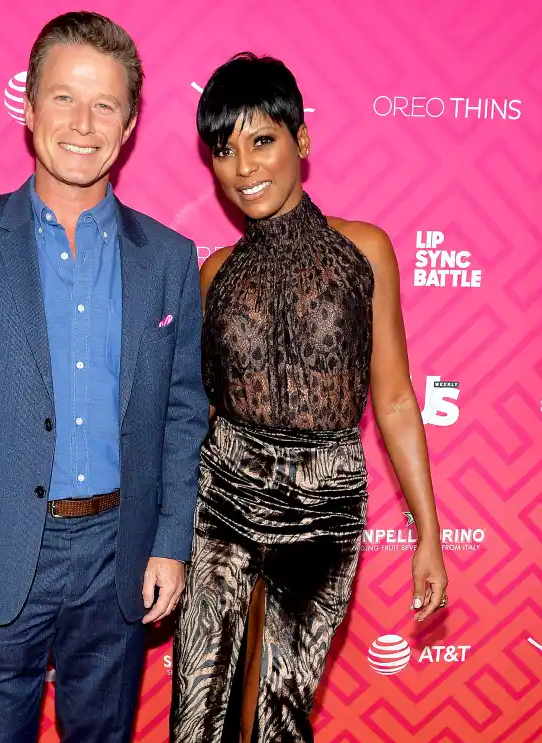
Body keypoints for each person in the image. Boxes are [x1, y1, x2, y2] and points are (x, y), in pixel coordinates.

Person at [0, 11, 209, 743]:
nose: (84, 123)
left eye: (106, 105)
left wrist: (169, 540)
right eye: (64, 97)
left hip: (118, 555)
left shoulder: (168, 258)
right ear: (28, 109)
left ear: (129, 127)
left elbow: (186, 414)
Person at [171, 53, 449, 743]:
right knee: (198, 707)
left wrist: (429, 533)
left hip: (325, 500)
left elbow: (392, 400)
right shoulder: (214, 274)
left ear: (302, 141)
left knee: (279, 712)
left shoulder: (365, 250)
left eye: (261, 140)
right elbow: (197, 411)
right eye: (224, 150)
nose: (243, 167)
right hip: (223, 495)